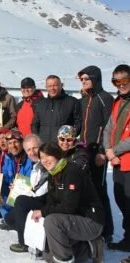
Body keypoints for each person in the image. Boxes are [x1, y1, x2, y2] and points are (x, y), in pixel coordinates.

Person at [32, 142, 104, 263]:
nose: (44, 160)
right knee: (48, 255)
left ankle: (65, 260)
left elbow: (69, 207)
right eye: (42, 157)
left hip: (91, 221)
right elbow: (51, 203)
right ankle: (89, 247)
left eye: (48, 156)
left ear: (57, 155)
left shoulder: (71, 171)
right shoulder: (52, 175)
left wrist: (43, 212)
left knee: (52, 221)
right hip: (74, 220)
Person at [78, 65, 115, 242]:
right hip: (85, 150)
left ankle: (106, 231)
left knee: (100, 191)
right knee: (88, 190)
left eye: (86, 79)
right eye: (82, 80)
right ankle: (92, 225)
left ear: (95, 79)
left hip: (98, 153)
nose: (83, 82)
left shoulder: (105, 98)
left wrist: (103, 152)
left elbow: (109, 127)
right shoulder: (85, 99)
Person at [6, 134, 48, 253]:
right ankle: (32, 233)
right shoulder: (36, 166)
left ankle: (23, 242)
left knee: (21, 202)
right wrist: (18, 189)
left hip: (48, 200)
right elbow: (34, 189)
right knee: (9, 218)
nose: (32, 152)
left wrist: (22, 195)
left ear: (41, 147)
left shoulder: (46, 161)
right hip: (39, 198)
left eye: (35, 148)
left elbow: (42, 191)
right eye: (29, 150)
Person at [104, 64, 130, 252]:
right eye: (116, 81)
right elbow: (108, 129)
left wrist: (114, 151)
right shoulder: (118, 102)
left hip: (127, 160)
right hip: (117, 160)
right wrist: (108, 150)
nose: (120, 85)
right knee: (121, 200)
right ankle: (128, 239)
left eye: (124, 80)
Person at [31, 75, 81, 143]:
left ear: (61, 85)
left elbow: (79, 123)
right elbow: (35, 124)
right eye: (49, 86)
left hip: (63, 146)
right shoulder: (41, 104)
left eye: (55, 85)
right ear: (46, 87)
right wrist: (37, 139)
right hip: (44, 146)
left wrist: (68, 138)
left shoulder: (72, 102)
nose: (52, 88)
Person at [0, 129, 33, 217]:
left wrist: (18, 186)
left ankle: (16, 217)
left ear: (22, 143)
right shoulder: (8, 159)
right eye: (10, 143)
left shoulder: (29, 159)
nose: (13, 146)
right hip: (12, 192)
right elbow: (5, 176)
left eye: (16, 142)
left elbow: (29, 181)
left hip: (25, 194)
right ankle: (7, 216)